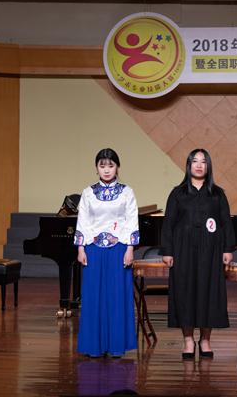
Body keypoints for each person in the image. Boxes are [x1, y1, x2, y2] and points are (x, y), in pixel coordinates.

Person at [160, 148, 235, 360]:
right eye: (195, 161)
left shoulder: (217, 194)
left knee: (208, 293)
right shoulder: (178, 193)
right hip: (183, 250)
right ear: (189, 165)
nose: (199, 165)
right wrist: (167, 251)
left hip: (210, 252)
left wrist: (228, 249)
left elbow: (226, 222)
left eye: (203, 161)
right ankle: (188, 340)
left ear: (208, 166)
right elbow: (168, 223)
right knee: (185, 293)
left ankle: (205, 340)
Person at [74, 148, 139, 358]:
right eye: (102, 166)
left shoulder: (127, 192)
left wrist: (130, 248)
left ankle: (116, 346)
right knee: (93, 297)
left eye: (111, 165)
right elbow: (83, 221)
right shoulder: (88, 192)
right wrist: (81, 248)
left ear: (117, 167)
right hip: (93, 249)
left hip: (119, 249)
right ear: (96, 168)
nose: (107, 170)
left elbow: (132, 221)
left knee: (116, 297)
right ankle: (94, 346)